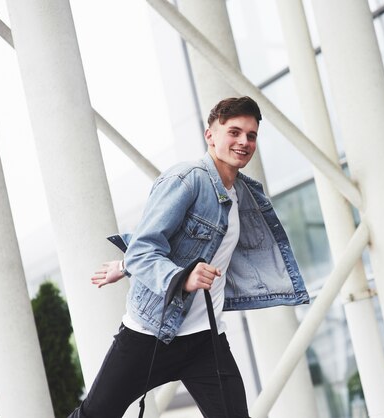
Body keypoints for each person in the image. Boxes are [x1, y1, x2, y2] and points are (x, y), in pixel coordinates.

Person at [69, 96, 310, 418]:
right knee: (96, 414)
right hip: (150, 333)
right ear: (210, 135)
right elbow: (146, 245)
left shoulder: (245, 193)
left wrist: (126, 265)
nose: (244, 142)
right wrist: (181, 277)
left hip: (205, 339)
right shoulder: (187, 179)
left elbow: (174, 244)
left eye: (251, 135)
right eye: (234, 132)